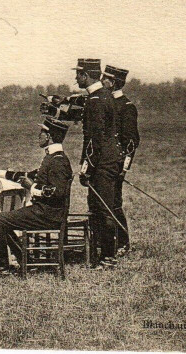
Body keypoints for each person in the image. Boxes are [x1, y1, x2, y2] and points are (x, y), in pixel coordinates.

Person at [0, 117, 72, 277]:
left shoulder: (57, 161)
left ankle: (2, 269)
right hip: (44, 211)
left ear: (49, 137)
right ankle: (26, 262)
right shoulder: (53, 157)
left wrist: (31, 187)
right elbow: (27, 175)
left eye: (41, 132)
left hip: (48, 214)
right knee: (1, 221)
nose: (38, 136)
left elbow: (57, 192)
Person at [74, 58, 123, 269]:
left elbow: (94, 139)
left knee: (102, 209)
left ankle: (108, 257)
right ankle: (99, 253)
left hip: (102, 163)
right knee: (101, 208)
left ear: (85, 75)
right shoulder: (103, 95)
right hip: (109, 160)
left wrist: (87, 168)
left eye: (78, 74)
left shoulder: (95, 100)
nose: (76, 78)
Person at [102, 65, 140, 256]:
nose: (102, 81)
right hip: (103, 163)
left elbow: (132, 142)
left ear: (114, 82)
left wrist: (123, 169)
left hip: (116, 165)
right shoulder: (104, 102)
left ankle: (123, 242)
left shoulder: (127, 107)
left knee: (114, 203)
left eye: (105, 79)